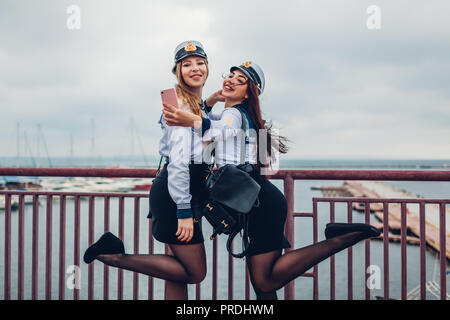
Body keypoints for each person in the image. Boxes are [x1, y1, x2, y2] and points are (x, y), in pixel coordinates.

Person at [162, 60, 381, 300]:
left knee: (265, 281)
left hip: (260, 204)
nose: (231, 80)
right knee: (264, 286)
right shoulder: (243, 115)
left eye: (241, 80)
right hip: (260, 199)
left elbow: (218, 130)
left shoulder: (234, 114)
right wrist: (211, 101)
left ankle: (339, 239)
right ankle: (337, 238)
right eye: (231, 75)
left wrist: (189, 120)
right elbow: (216, 125)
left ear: (250, 93)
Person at [83, 40, 213, 300]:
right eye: (187, 65)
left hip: (180, 193)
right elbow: (178, 161)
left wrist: (210, 103)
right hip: (177, 194)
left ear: (207, 67)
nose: (195, 68)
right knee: (195, 272)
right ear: (178, 72)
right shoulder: (177, 105)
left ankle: (113, 253)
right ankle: (113, 255)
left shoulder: (192, 104)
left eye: (200, 63)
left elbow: (197, 134)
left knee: (176, 274)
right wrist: (184, 210)